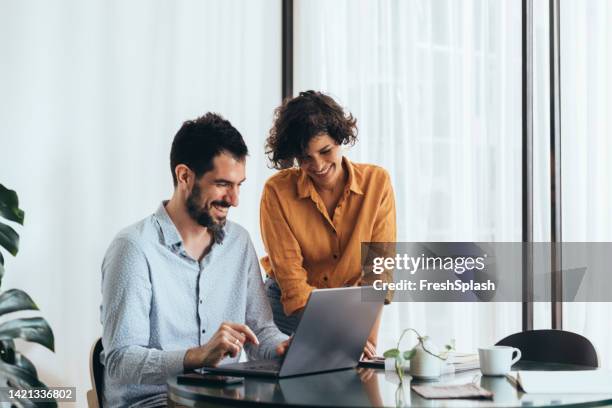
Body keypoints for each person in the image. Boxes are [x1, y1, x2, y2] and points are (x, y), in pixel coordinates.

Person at [100, 113, 289, 408]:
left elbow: (260, 331)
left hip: (223, 399)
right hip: (153, 401)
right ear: (184, 176)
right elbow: (119, 360)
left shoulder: (238, 242)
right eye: (223, 184)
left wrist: (284, 348)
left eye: (239, 184)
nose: (234, 199)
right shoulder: (134, 248)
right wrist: (196, 356)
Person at [260, 90, 396, 360]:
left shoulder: (376, 183)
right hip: (286, 314)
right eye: (306, 158)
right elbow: (293, 285)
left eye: (325, 151)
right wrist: (344, 337)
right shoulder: (277, 192)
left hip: (348, 312)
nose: (318, 165)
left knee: (355, 381)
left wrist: (365, 340)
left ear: (340, 139)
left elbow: (378, 275)